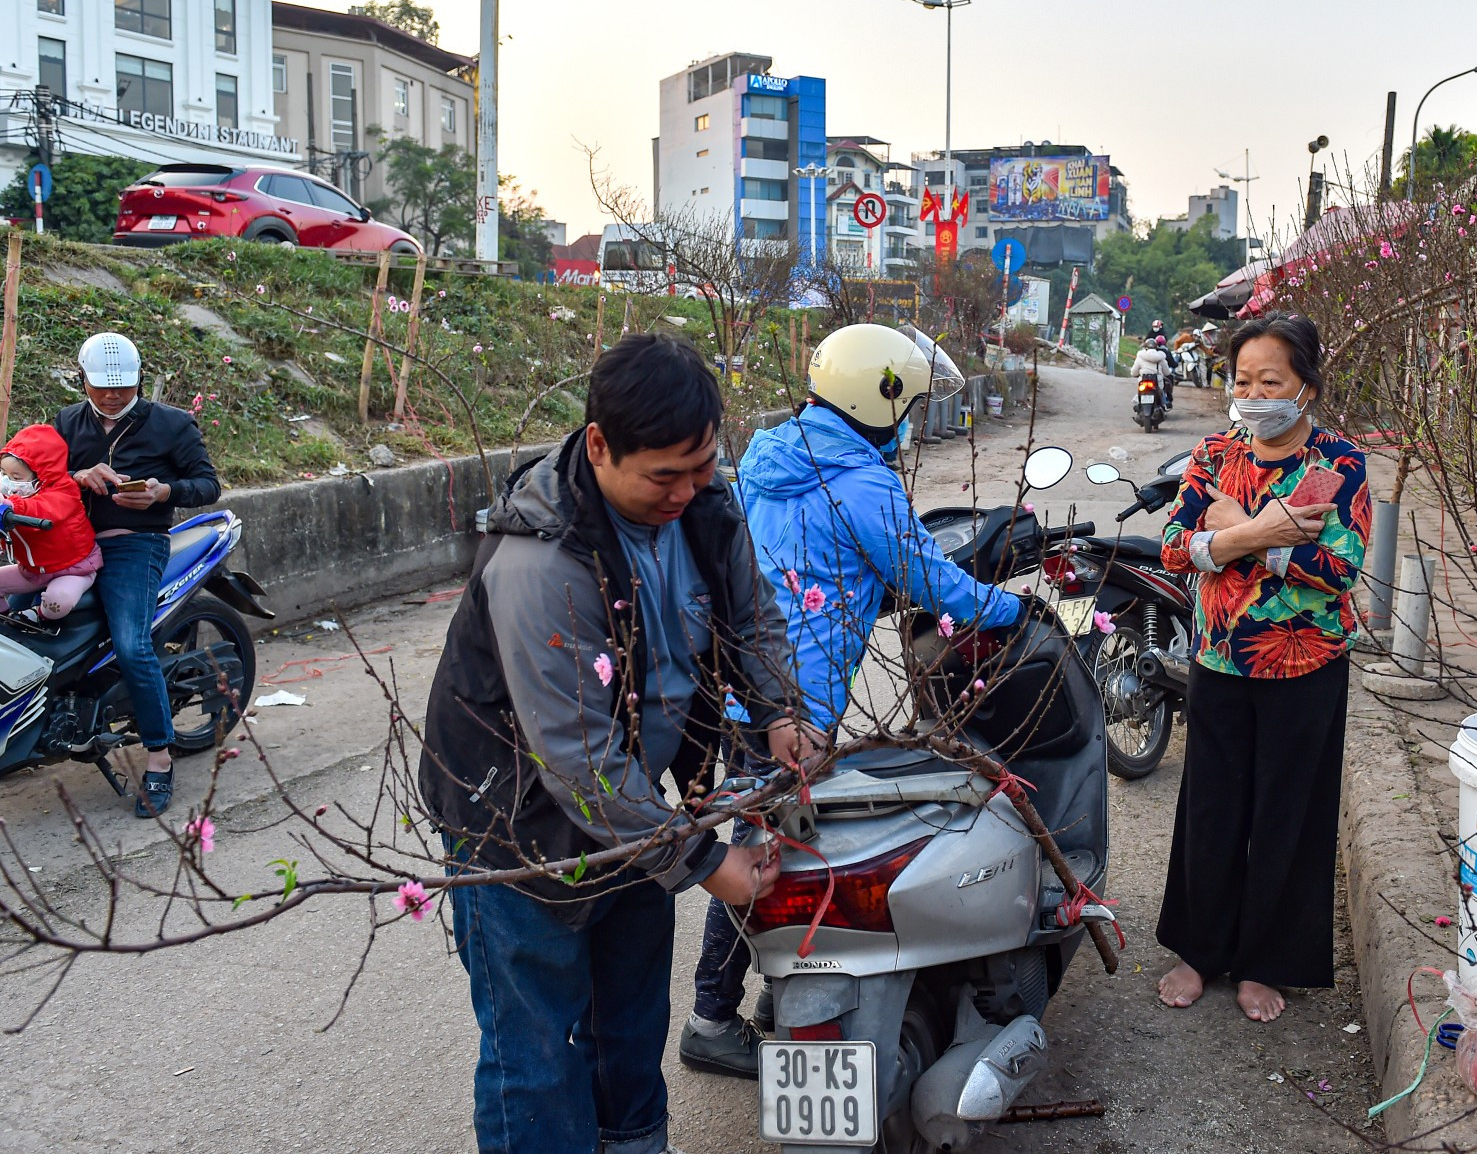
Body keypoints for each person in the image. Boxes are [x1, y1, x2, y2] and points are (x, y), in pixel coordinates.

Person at [419, 332, 812, 1154]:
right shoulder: (542, 558)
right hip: (517, 829)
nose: (688, 489)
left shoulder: (707, 506)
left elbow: (752, 618)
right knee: (534, 1048)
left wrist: (779, 710)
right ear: (598, 446)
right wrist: (708, 862)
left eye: (702, 464)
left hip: (637, 811)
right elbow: (578, 759)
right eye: (665, 474)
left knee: (631, 1024)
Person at [678, 322, 1024, 1077]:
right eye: (909, 408)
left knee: (773, 841)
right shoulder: (863, 483)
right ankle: (710, 1015)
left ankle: (778, 994)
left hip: (744, 688)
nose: (910, 424)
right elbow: (936, 583)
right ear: (880, 398)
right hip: (796, 706)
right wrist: (1012, 611)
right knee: (774, 850)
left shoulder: (771, 455)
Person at [1153, 311, 1371, 1022]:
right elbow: (1175, 546)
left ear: (1305, 386)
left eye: (1269, 379)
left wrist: (1239, 536)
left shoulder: (1338, 463)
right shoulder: (1215, 453)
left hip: (1307, 669)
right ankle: (1199, 949)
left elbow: (1338, 566)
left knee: (1288, 818)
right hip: (1220, 659)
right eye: (1242, 379)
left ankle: (1263, 962)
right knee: (1211, 812)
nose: (1253, 393)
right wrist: (1265, 531)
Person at [55, 333, 220, 819]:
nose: (111, 395)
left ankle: (159, 757)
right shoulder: (67, 421)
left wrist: (162, 492)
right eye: (102, 386)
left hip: (135, 545)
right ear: (81, 377)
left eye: (122, 386)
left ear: (138, 379)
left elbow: (208, 484)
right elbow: (41, 479)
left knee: (132, 645)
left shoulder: (171, 424)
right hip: (72, 544)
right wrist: (76, 478)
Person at [0, 424, 102, 628]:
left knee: (57, 602)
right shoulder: (9, 494)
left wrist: (4, 503)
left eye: (16, 477)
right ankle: (3, 625)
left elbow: (39, 510)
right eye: (4, 473)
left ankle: (38, 619)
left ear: (41, 475)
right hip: (32, 570)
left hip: (74, 568)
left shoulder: (64, 492)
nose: (7, 481)